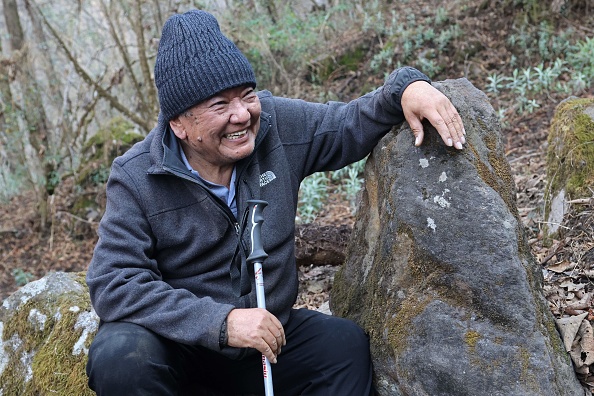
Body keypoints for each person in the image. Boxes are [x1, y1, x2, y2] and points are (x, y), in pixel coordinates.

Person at [85, 9, 465, 396]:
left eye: (246, 95)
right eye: (220, 105)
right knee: (120, 357)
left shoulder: (274, 125)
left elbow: (352, 122)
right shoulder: (136, 176)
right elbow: (114, 282)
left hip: (265, 348)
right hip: (180, 350)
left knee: (343, 348)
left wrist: (407, 87)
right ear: (179, 124)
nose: (241, 115)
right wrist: (222, 322)